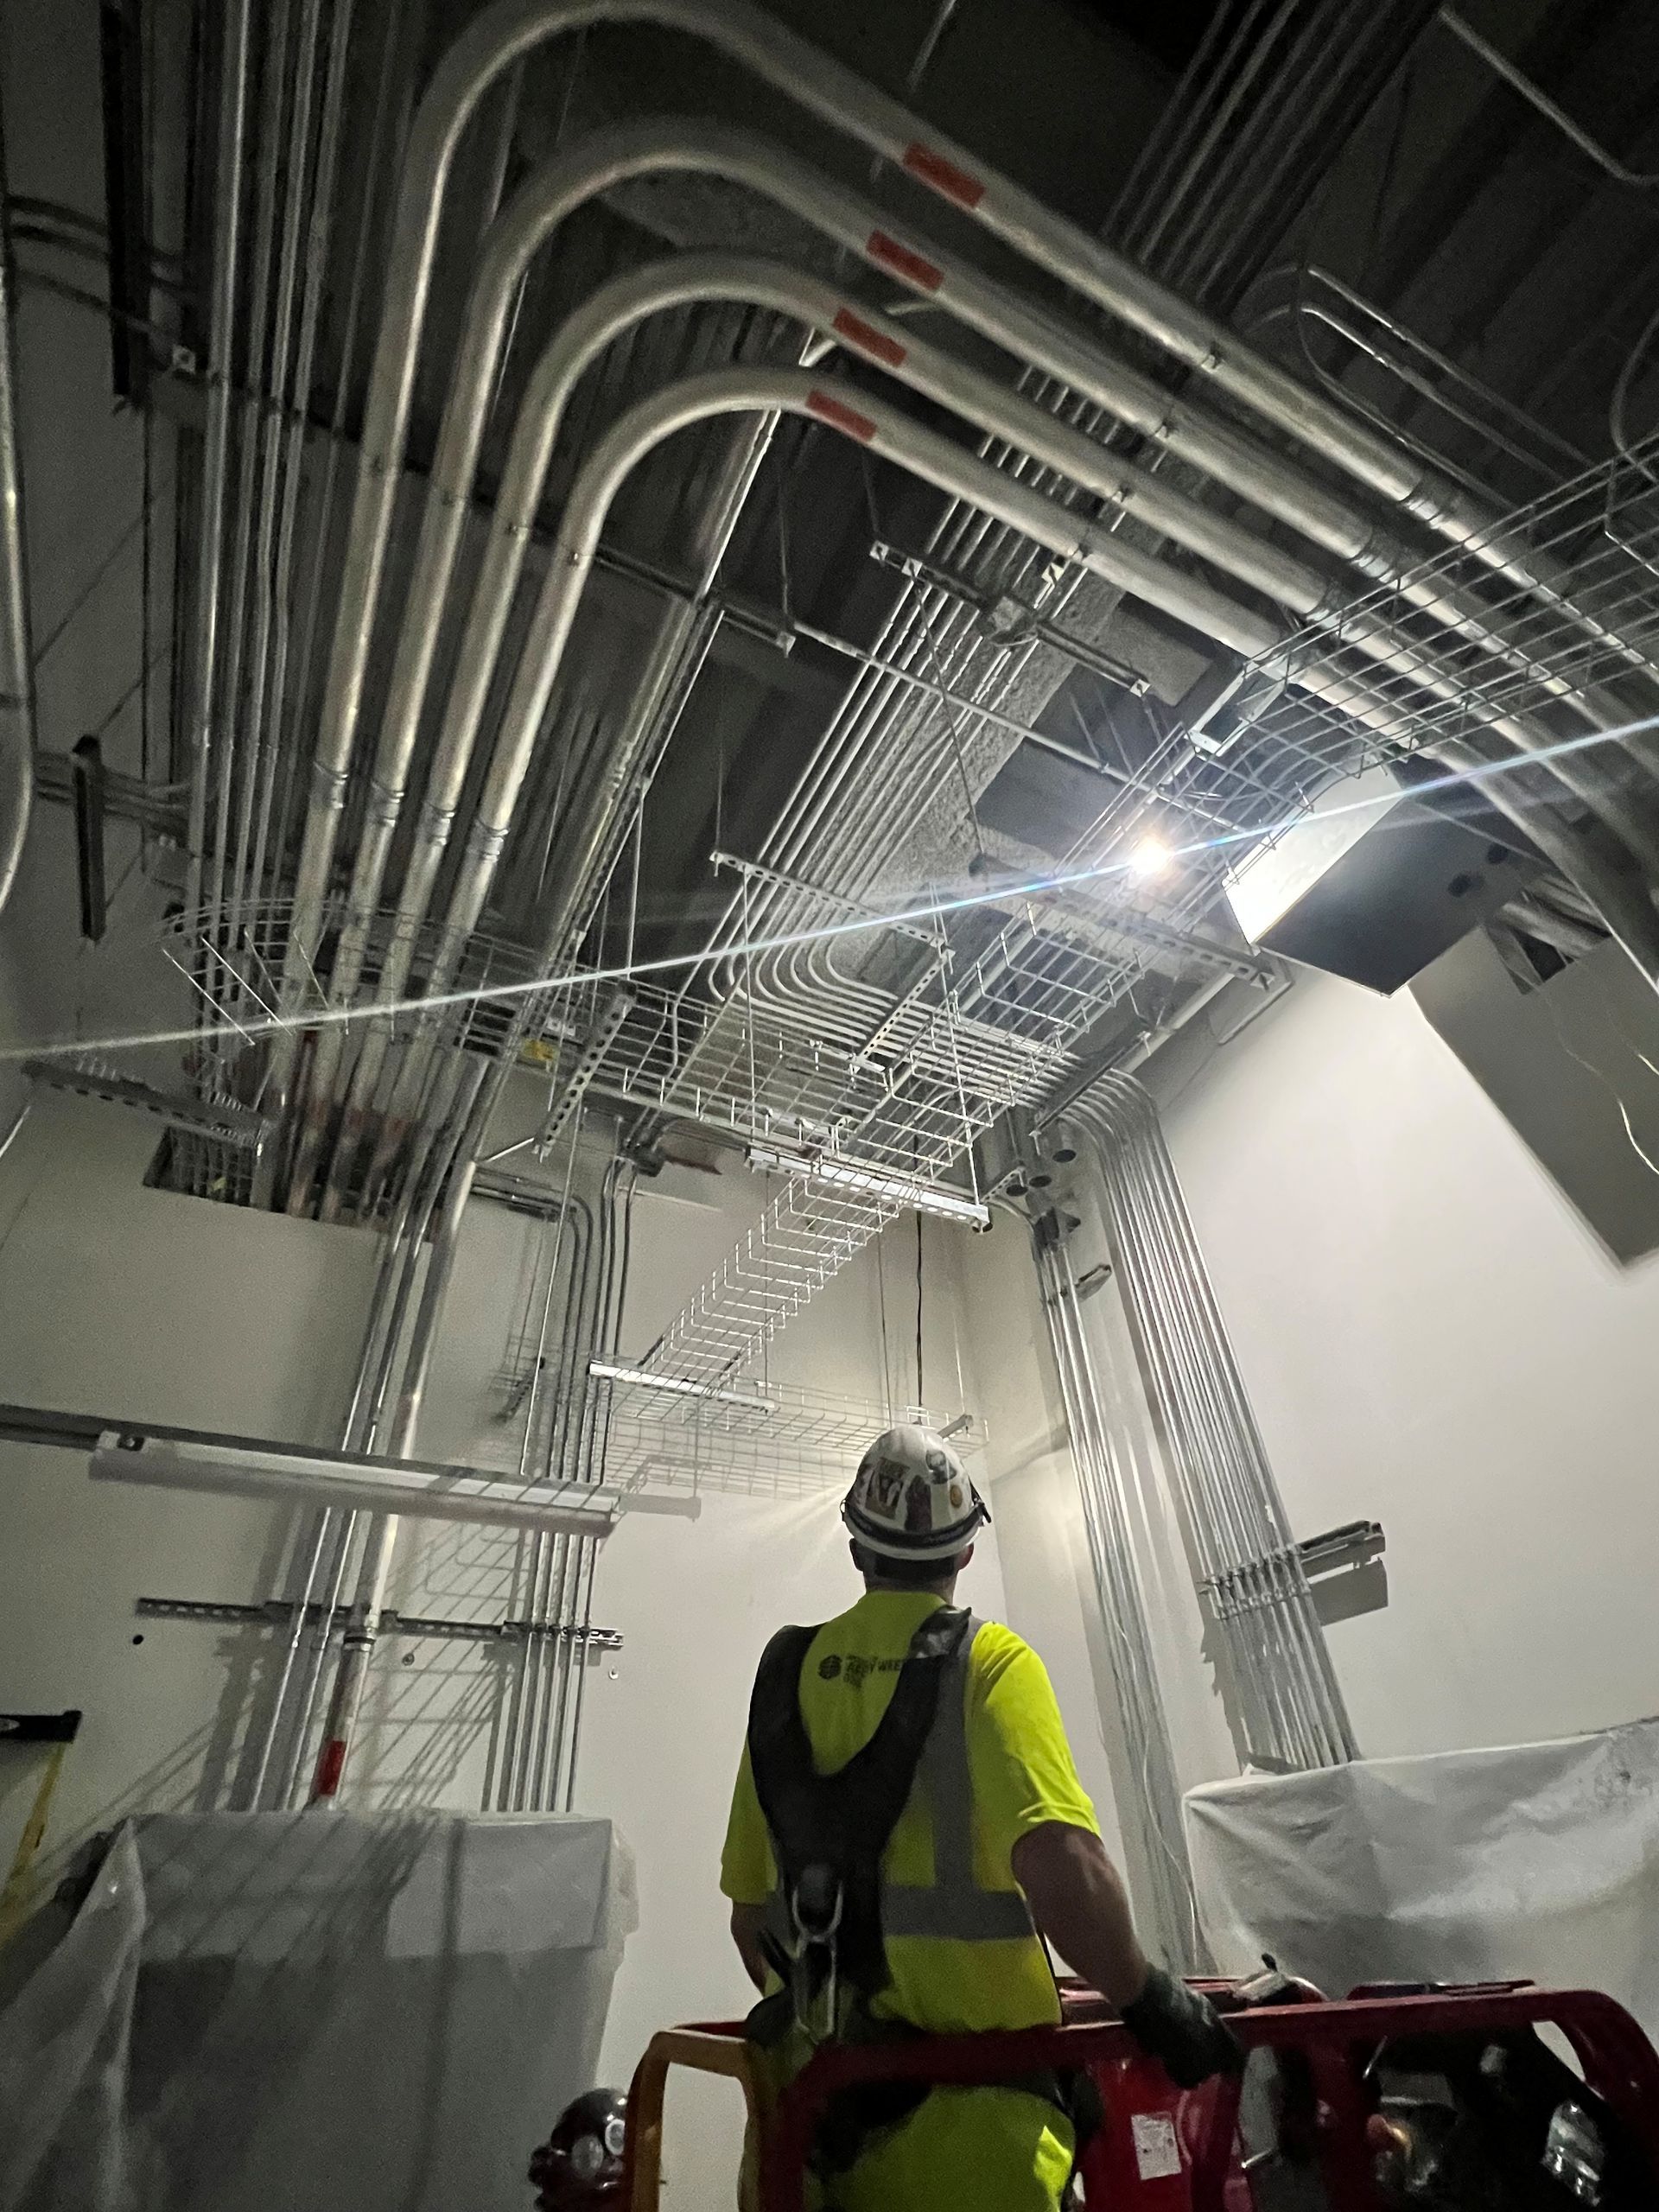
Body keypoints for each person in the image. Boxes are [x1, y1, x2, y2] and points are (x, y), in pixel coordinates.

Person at [721, 1422, 1240, 2211]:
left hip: (809, 2134)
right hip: (968, 2148)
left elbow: (749, 1915)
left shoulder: (784, 1672)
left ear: (857, 1547)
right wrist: (1148, 1998)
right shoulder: (989, 1663)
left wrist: (840, 2036)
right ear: (965, 1552)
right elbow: (1064, 1866)